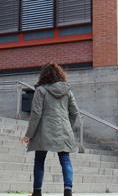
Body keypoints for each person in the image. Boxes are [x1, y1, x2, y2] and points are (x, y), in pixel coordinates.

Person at [21, 62, 79, 196]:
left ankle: (37, 192)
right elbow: (75, 112)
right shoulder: (67, 91)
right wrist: (68, 126)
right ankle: (68, 191)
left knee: (39, 161)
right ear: (60, 75)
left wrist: (28, 135)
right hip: (63, 130)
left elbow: (36, 113)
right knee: (65, 160)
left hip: (44, 131)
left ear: (44, 75)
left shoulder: (41, 90)